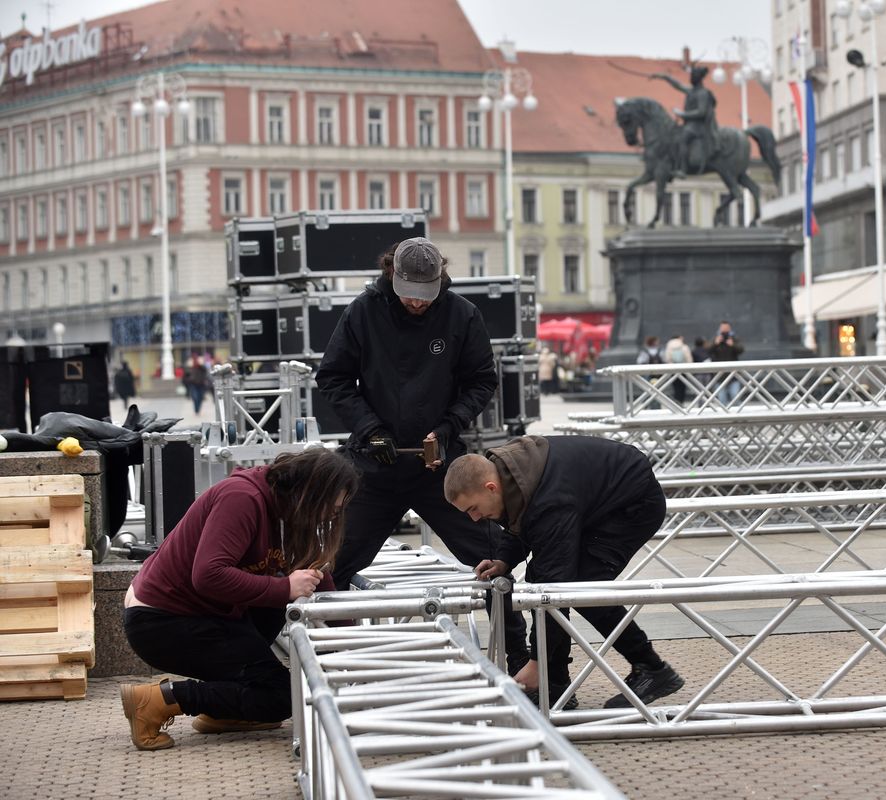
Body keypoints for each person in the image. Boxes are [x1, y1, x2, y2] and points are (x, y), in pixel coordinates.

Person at [315, 236, 529, 672]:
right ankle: (323, 660)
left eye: (425, 297)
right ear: (392, 276)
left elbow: (482, 381)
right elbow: (333, 378)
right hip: (375, 464)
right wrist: (369, 427)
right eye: (409, 295)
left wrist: (450, 426)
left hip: (442, 468)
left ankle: (524, 660)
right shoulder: (363, 311)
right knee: (333, 564)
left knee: (494, 562)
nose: (417, 304)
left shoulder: (461, 314)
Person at [119, 448, 359, 751]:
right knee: (281, 695)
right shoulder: (242, 498)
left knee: (278, 604)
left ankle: (227, 710)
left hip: (207, 614)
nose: (331, 517)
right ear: (310, 492)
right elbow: (207, 575)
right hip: (162, 622)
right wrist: (284, 588)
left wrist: (352, 646)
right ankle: (159, 699)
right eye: (331, 509)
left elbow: (318, 577)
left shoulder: (286, 507)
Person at [444, 436, 685, 710]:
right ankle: (555, 684)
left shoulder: (549, 500)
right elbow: (520, 520)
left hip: (631, 505)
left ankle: (652, 669)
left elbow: (553, 589)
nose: (473, 519)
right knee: (545, 578)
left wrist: (536, 661)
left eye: (473, 509)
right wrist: (503, 560)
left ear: (490, 487)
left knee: (581, 586)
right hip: (591, 502)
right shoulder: (511, 475)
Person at [651, 64, 717, 177]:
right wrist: (664, 76)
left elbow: (702, 112)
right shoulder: (692, 90)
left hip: (699, 126)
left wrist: (683, 114)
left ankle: (683, 168)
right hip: (690, 125)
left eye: (693, 76)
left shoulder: (702, 93)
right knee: (672, 134)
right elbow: (678, 85)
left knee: (683, 137)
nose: (690, 78)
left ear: (698, 78)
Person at [709, 320, 744, 405]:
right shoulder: (715, 338)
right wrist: (715, 343)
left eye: (726, 328)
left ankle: (737, 417)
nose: (724, 330)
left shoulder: (734, 338)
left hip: (733, 374)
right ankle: (724, 418)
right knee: (722, 399)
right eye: (723, 328)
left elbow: (741, 350)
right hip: (719, 374)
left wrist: (733, 345)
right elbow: (708, 351)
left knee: (735, 396)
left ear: (729, 328)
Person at [663, 333, 693, 403]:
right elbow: (689, 359)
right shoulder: (684, 347)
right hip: (683, 370)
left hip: (673, 370)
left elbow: (667, 359)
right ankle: (681, 402)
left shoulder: (669, 347)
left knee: (676, 388)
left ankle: (676, 402)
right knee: (682, 387)